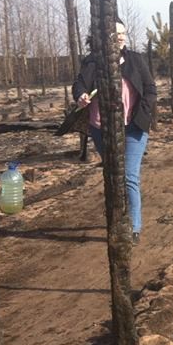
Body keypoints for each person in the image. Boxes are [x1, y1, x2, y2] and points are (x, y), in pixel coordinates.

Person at [72, 21, 157, 244]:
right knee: (113, 174)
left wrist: (143, 116)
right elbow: (79, 84)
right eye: (115, 34)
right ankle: (117, 216)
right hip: (102, 128)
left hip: (133, 127)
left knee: (129, 175)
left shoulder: (135, 60)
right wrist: (80, 95)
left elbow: (150, 89)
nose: (121, 37)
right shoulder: (92, 61)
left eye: (123, 33)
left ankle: (134, 226)